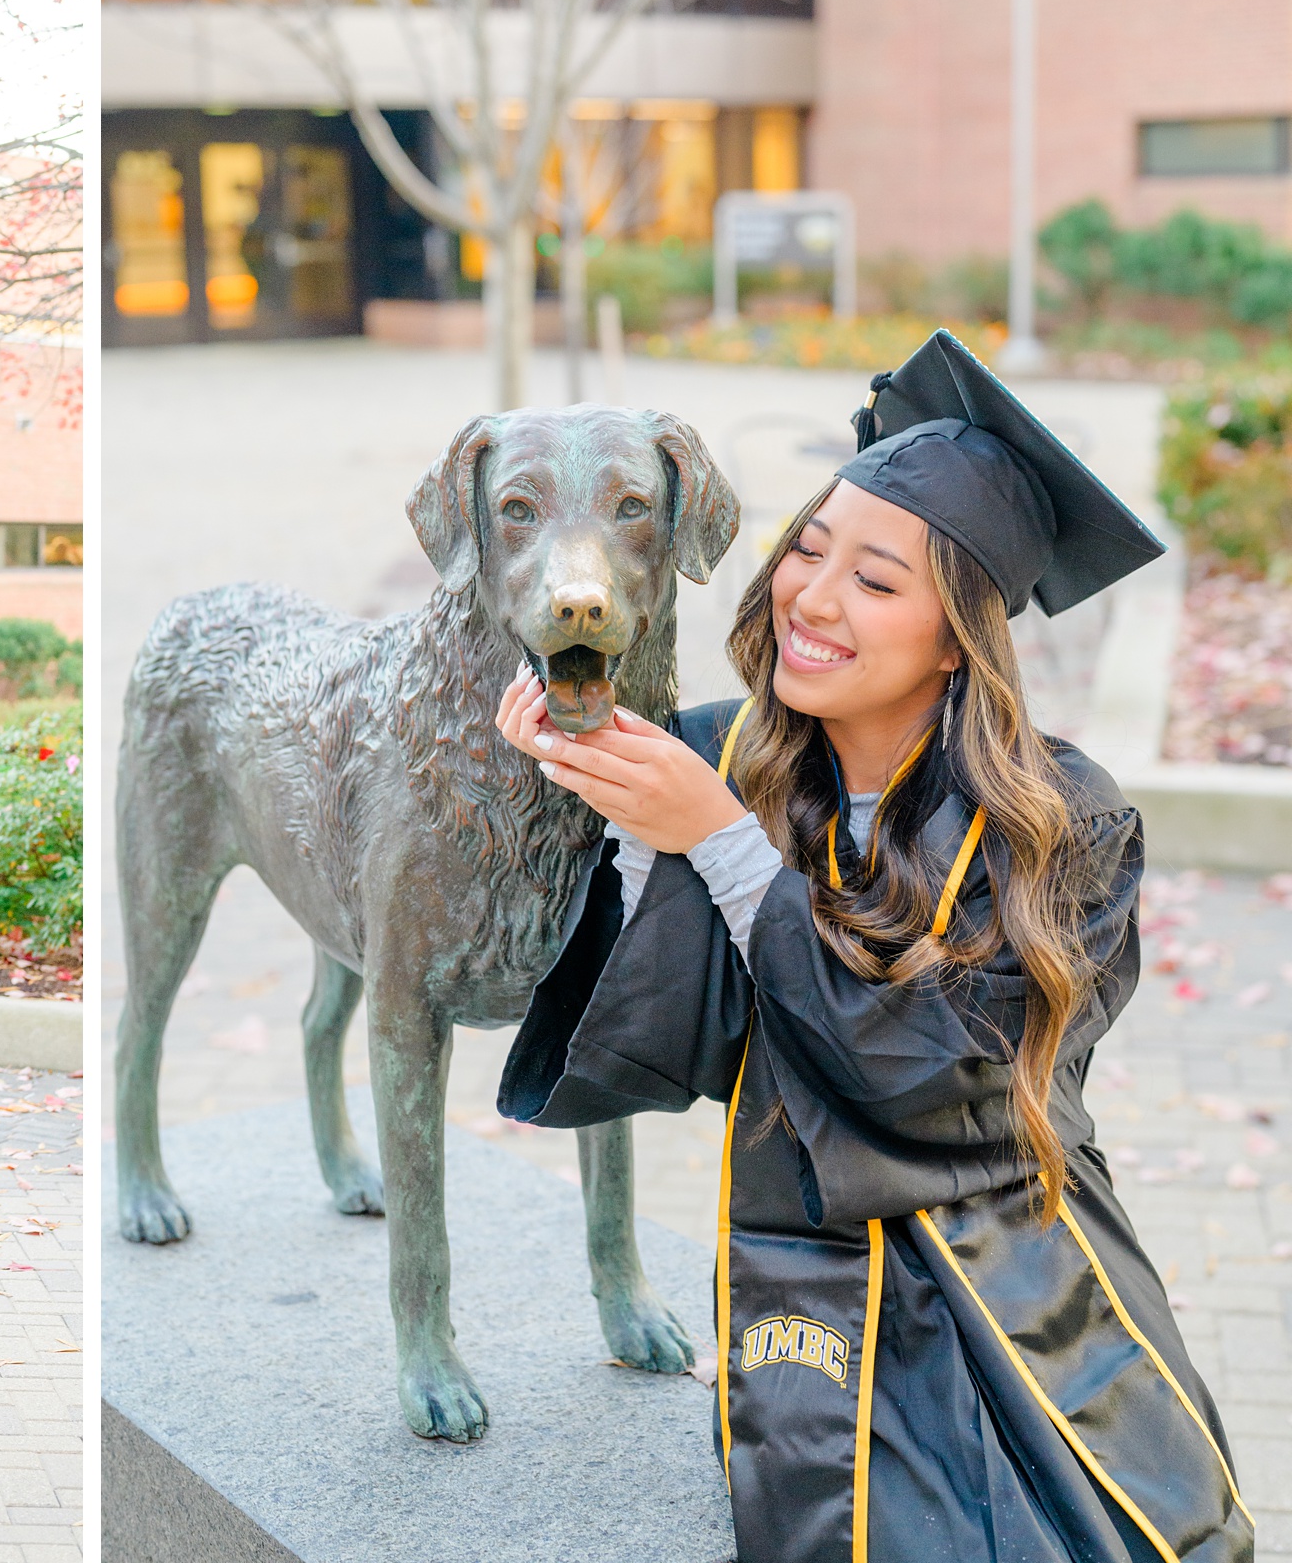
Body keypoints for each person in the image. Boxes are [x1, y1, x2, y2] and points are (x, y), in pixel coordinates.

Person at [495, 332, 1251, 1563]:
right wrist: (619, 810)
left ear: (959, 637)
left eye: (878, 580)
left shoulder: (1064, 820)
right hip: (802, 1291)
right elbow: (690, 1028)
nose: (815, 597)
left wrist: (719, 844)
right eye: (807, 547)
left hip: (1004, 1285)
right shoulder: (729, 749)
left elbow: (939, 1081)